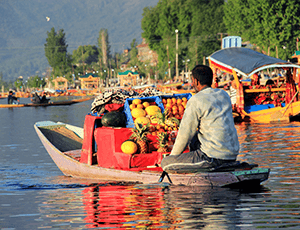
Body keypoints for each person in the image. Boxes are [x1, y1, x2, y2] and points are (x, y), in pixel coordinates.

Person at [161, 65, 240, 172]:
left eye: (192, 81)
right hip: (232, 154)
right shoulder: (224, 94)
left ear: (196, 81)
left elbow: (185, 134)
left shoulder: (196, 100)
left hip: (212, 158)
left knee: (165, 163)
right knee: (195, 138)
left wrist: (173, 158)